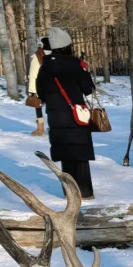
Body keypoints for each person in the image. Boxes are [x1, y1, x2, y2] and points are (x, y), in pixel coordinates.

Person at [36, 26, 96, 199]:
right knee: (80, 156)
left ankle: (70, 193)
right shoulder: (75, 65)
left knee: (66, 156)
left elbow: (41, 93)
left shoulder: (45, 68)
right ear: (67, 46)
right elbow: (88, 89)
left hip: (56, 118)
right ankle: (85, 192)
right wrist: (85, 72)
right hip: (77, 116)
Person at [27, 36, 48, 137]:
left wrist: (32, 91)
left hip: (41, 87)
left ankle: (40, 129)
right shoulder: (57, 55)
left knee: (38, 107)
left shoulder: (38, 57)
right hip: (55, 88)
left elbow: (33, 75)